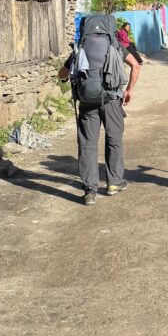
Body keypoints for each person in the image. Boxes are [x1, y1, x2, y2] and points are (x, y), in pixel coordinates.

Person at [59, 23, 141, 206]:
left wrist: (69, 76)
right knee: (114, 139)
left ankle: (90, 190)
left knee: (87, 144)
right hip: (111, 100)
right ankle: (114, 183)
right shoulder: (115, 45)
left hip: (87, 102)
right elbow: (136, 66)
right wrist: (129, 90)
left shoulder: (82, 47)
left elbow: (62, 74)